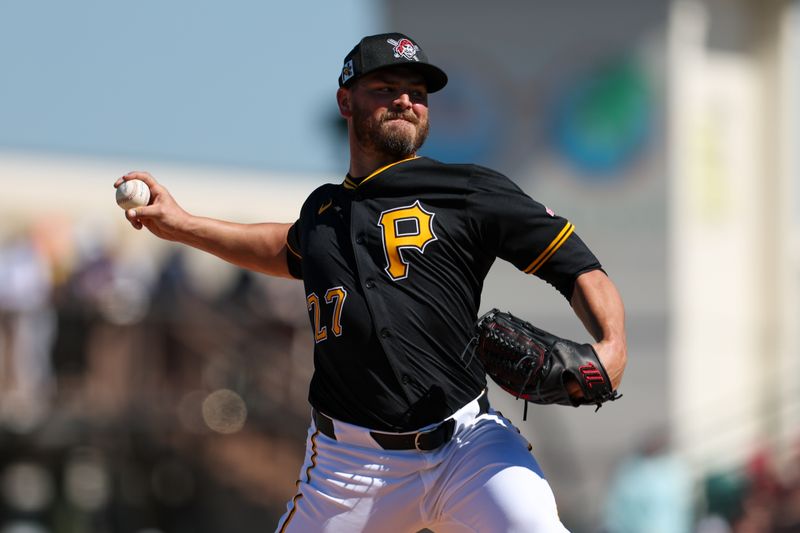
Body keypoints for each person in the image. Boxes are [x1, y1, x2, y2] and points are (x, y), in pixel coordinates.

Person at [116, 32, 627, 532]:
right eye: (386, 88)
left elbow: (577, 265)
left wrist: (612, 346)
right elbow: (283, 249)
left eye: (418, 94)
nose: (406, 101)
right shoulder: (322, 212)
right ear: (346, 100)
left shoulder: (466, 190)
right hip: (348, 468)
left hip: (467, 446)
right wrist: (182, 224)